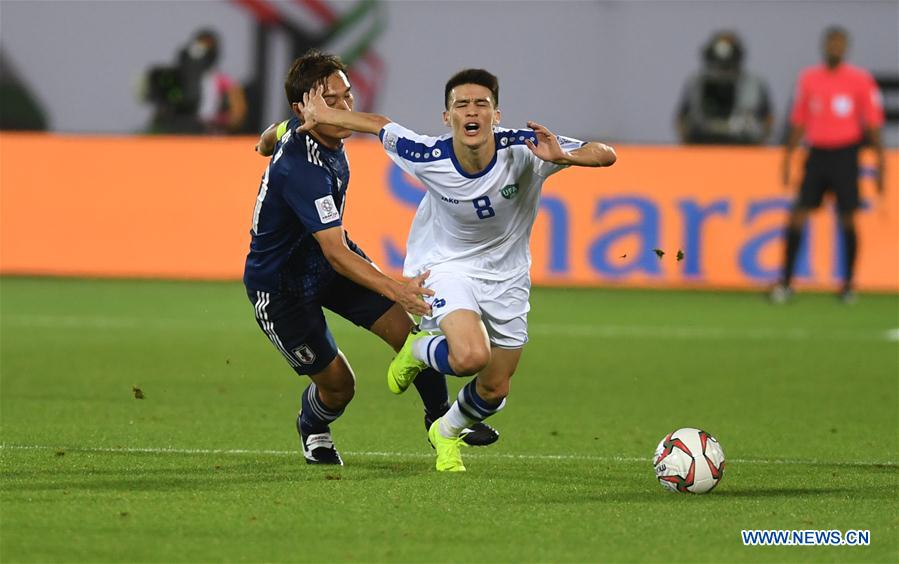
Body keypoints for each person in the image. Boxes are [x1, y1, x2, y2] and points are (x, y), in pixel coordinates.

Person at [299, 68, 617, 471]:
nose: (472, 111)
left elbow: (605, 153)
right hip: (447, 267)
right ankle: (418, 349)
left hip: (509, 277)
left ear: (496, 115)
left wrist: (565, 157)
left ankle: (445, 431)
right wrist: (323, 115)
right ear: (447, 117)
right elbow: (379, 124)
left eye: (481, 104)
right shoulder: (427, 154)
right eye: (461, 104)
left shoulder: (526, 149)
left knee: (495, 388)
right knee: (470, 356)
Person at [244, 51, 498, 466]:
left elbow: (276, 131)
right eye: (332, 100)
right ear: (305, 107)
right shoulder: (301, 168)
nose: (345, 107)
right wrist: (398, 288)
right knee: (340, 387)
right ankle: (313, 425)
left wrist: (263, 142)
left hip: (327, 265)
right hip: (281, 288)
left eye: (347, 95)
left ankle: (441, 420)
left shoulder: (307, 127)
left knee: (412, 337)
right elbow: (336, 252)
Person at [771, 26, 885, 304]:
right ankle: (786, 282)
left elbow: (872, 124)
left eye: (840, 43)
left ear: (846, 48)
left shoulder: (860, 81)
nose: (835, 48)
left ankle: (848, 285)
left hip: (846, 154)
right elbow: (799, 121)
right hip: (817, 154)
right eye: (832, 43)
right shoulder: (809, 79)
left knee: (848, 217)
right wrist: (787, 158)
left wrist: (881, 163)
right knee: (799, 214)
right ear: (824, 46)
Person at [676, 31, 773, 145]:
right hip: (701, 144)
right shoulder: (695, 83)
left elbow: (768, 118)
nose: (723, 73)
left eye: (728, 65)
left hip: (744, 145)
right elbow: (681, 118)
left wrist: (761, 141)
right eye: (718, 64)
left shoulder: (754, 84)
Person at [146, 29, 247, 134]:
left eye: (207, 50)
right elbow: (160, 112)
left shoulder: (224, 81)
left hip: (210, 133)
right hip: (176, 133)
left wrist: (217, 122)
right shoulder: (174, 79)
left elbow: (237, 115)